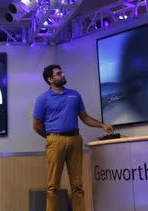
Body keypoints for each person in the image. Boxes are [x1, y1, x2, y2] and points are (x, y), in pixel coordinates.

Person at [33, 64, 114, 211]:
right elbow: (36, 125)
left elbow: (85, 118)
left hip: (75, 140)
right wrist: (51, 137)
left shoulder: (74, 95)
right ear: (50, 79)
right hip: (55, 141)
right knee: (53, 186)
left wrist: (102, 125)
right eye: (59, 74)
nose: (62, 75)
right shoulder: (42, 99)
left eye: (62, 72)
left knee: (77, 185)